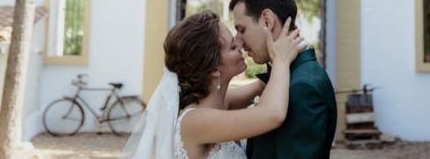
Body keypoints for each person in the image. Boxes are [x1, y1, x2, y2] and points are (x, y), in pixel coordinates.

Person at [122, 10, 305, 159]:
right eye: (233, 47)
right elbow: (272, 114)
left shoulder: (219, 102)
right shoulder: (194, 121)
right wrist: (281, 59)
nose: (240, 46)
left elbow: (263, 86)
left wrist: (272, 47)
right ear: (213, 68)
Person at [229, 0, 337, 159]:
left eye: (242, 30)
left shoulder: (303, 86)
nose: (239, 42)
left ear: (267, 21)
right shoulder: (286, 76)